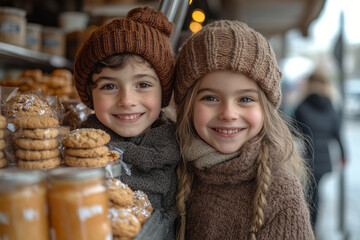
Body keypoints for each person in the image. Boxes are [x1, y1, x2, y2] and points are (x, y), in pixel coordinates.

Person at [174, 20, 314, 240]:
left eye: (245, 99)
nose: (229, 113)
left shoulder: (280, 193)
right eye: (211, 98)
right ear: (188, 106)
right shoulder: (174, 166)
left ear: (265, 109)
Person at [72, 7, 180, 239]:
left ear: (164, 92)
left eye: (143, 84)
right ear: (90, 95)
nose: (127, 101)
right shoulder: (77, 154)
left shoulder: (181, 150)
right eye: (109, 86)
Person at [293, 69, 346, 228]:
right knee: (315, 194)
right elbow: (337, 134)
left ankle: (306, 227)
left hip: (306, 159)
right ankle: (312, 227)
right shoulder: (331, 106)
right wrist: (343, 155)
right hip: (324, 161)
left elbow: (292, 131)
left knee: (308, 194)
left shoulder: (302, 106)